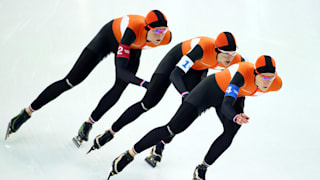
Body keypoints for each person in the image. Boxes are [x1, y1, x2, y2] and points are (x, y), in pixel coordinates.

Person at [5, 10, 172, 144]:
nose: (160, 36)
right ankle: (27, 112)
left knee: (119, 88)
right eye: (156, 31)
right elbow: (122, 71)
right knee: (71, 81)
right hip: (108, 38)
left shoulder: (166, 38)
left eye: (163, 31)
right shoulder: (132, 30)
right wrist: (144, 83)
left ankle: (88, 124)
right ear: (146, 28)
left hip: (133, 48)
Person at [106, 55, 282, 180]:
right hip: (208, 90)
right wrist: (236, 116)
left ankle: (202, 168)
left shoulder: (276, 84)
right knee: (172, 128)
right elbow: (228, 103)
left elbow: (233, 101)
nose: (267, 82)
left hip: (234, 95)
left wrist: (235, 119)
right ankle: (130, 154)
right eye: (264, 78)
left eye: (271, 78)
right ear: (255, 74)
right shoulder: (242, 74)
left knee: (231, 132)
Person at [86, 32, 245, 163]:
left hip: (198, 69)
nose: (229, 58)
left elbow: (240, 85)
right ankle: (111, 131)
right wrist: (184, 93)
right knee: (148, 103)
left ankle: (160, 144)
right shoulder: (202, 49)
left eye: (232, 53)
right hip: (176, 61)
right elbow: (175, 74)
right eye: (225, 54)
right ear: (217, 50)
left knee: (185, 112)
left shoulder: (238, 61)